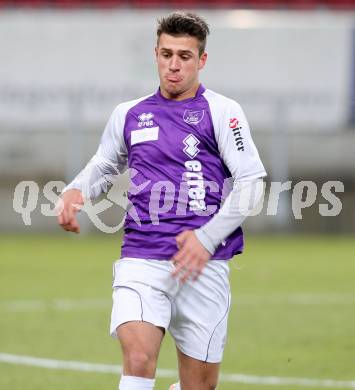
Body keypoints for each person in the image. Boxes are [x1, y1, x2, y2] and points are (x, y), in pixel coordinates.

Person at [57, 11, 266, 390]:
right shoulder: (130, 114)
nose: (174, 65)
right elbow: (105, 163)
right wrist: (77, 190)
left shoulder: (222, 112)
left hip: (205, 265)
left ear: (201, 60)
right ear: (155, 54)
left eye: (184, 56)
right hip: (142, 255)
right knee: (137, 359)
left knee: (199, 386)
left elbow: (251, 184)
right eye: (166, 54)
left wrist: (205, 238)